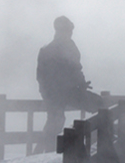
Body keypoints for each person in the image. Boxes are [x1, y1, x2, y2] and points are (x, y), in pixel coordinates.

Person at [36, 16, 101, 150]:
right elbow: (42, 76)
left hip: (69, 91)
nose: (70, 33)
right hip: (55, 93)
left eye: (70, 30)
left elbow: (76, 68)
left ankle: (97, 145)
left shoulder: (69, 47)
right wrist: (48, 94)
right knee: (56, 120)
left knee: (99, 105)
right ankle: (43, 154)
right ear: (60, 31)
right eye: (68, 30)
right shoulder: (48, 50)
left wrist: (81, 84)